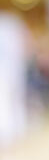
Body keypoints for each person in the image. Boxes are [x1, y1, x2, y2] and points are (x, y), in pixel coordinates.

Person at [0, 13, 27, 147]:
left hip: (10, 69)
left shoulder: (9, 23)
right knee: (12, 100)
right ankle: (13, 132)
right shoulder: (11, 23)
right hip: (13, 68)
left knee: (7, 101)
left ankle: (9, 134)